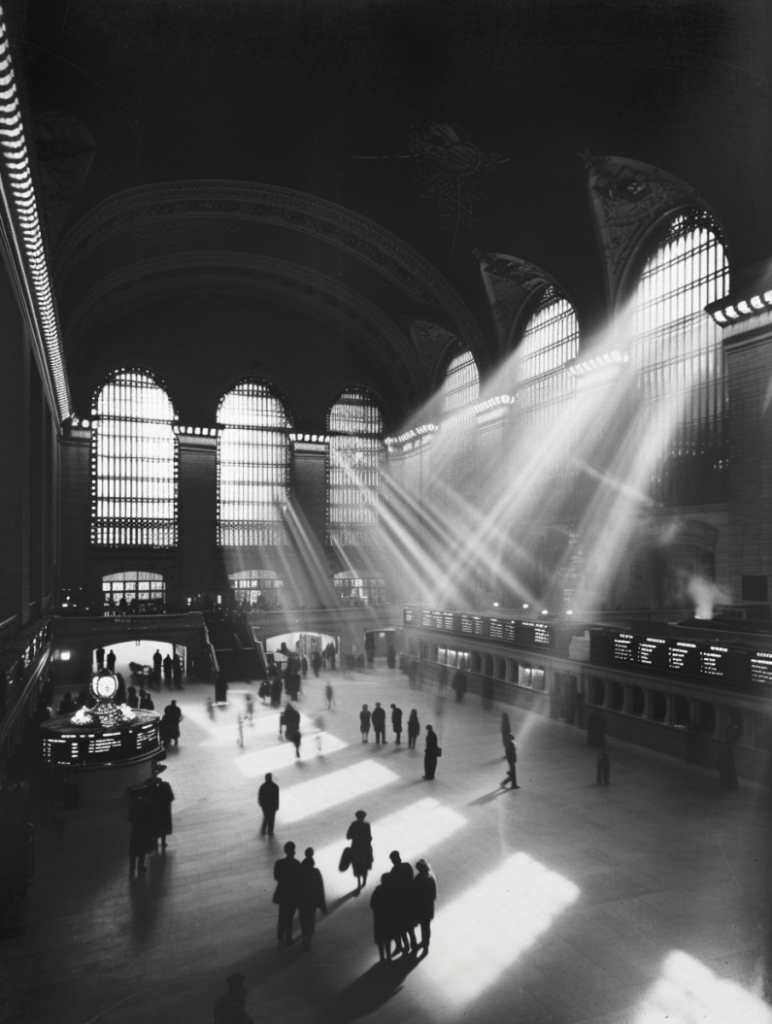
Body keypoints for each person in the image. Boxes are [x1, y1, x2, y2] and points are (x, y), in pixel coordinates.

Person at [273, 841, 302, 945]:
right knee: (289, 917)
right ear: (293, 851)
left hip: (282, 892)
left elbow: (276, 877)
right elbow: (300, 879)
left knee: (282, 916)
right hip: (293, 894)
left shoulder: (279, 863)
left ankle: (280, 936)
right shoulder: (297, 864)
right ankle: (288, 938)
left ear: (285, 851)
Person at [298, 847, 327, 950]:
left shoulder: (300, 871)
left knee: (303, 919)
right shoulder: (316, 872)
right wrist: (322, 904)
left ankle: (304, 936)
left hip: (302, 901)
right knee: (310, 920)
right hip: (312, 902)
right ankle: (308, 940)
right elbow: (320, 888)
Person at [388, 851, 416, 954]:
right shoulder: (407, 866)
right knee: (410, 928)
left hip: (400, 903)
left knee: (401, 927)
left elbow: (392, 888)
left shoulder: (394, 871)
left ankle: (405, 946)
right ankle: (413, 945)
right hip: (409, 901)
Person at [370, 873, 397, 963]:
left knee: (380, 939)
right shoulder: (392, 890)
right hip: (389, 917)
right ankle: (389, 957)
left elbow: (372, 903)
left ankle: (382, 958)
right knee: (388, 939)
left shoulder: (378, 889)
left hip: (379, 918)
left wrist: (378, 911)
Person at [412, 859, 437, 953]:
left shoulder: (419, 878)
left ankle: (423, 943)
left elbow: (414, 893)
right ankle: (426, 944)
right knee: (426, 927)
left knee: (423, 926)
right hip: (429, 907)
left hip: (421, 907)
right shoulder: (431, 876)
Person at [128, 791, 155, 875]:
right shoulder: (147, 804)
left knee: (134, 850)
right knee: (142, 850)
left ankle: (132, 869)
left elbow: (129, 818)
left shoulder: (133, 804)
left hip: (135, 829)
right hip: (144, 829)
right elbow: (151, 817)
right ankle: (140, 867)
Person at [346, 809, 373, 891]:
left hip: (357, 849)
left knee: (357, 865)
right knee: (363, 866)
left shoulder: (355, 824)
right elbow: (369, 837)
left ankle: (360, 882)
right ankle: (363, 880)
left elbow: (348, 836)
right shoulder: (366, 825)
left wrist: (356, 837)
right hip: (364, 849)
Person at [148, 776, 174, 850]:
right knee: (163, 828)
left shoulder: (152, 788)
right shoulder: (165, 785)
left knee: (156, 827)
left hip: (156, 812)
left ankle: (155, 842)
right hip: (164, 811)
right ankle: (163, 842)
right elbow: (171, 797)